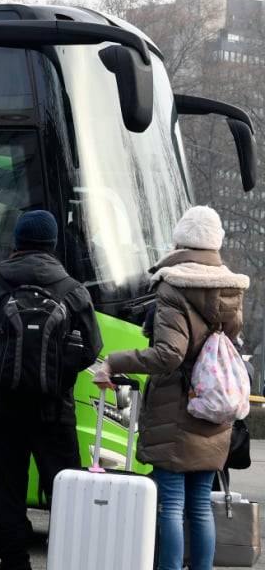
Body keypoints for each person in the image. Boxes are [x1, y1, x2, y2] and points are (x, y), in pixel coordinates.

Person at [99, 206, 246, 570]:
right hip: (214, 405)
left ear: (180, 240)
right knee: (200, 505)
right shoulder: (230, 287)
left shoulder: (173, 285)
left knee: (172, 505)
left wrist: (116, 360)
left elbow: (169, 354)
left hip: (176, 408)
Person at [0, 210, 102, 570]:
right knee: (65, 491)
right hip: (54, 410)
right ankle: (64, 558)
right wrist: (58, 375)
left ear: (17, 242)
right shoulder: (73, 290)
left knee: (6, 491)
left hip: (2, 408)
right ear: (53, 244)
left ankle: (14, 562)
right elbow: (92, 347)